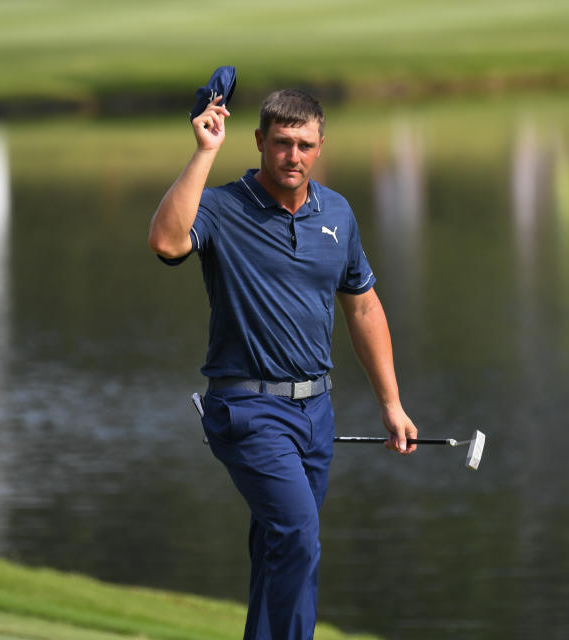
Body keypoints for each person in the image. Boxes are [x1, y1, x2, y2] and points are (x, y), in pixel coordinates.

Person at [148, 88, 417, 640]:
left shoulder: (337, 213)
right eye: (281, 143)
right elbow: (167, 242)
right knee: (298, 536)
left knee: (281, 550)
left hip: (317, 413)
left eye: (304, 144)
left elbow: (363, 306)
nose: (292, 156)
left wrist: (390, 403)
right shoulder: (223, 207)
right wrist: (204, 153)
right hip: (247, 409)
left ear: (320, 146)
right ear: (259, 142)